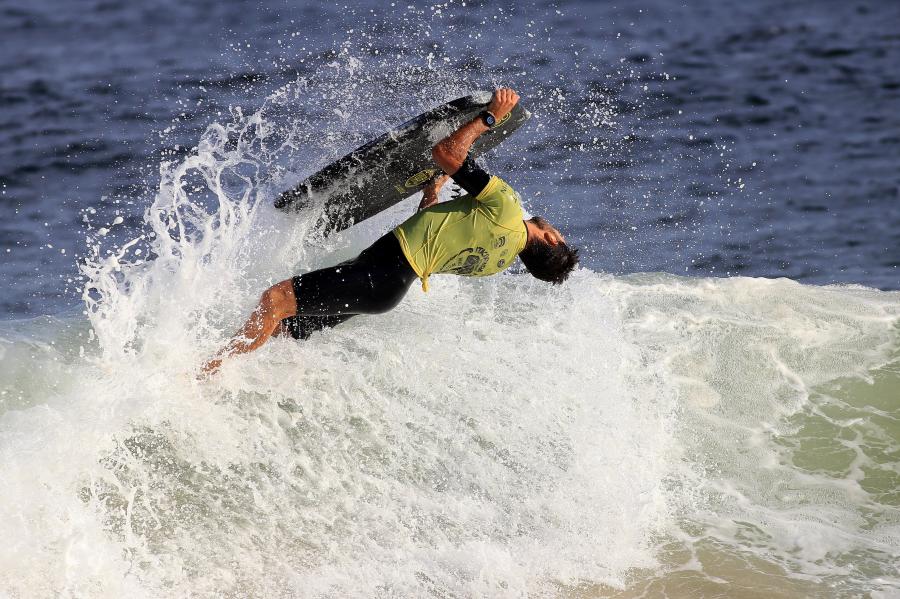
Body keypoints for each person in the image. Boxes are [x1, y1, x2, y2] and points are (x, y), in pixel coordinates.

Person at [202, 88, 578, 374]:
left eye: (559, 234)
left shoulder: (508, 209)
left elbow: (447, 153)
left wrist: (490, 118)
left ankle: (209, 372)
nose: (556, 228)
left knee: (275, 301)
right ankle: (256, 379)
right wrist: (432, 192)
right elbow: (431, 239)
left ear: (549, 240)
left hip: (376, 273)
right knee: (287, 327)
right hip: (386, 288)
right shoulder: (496, 261)